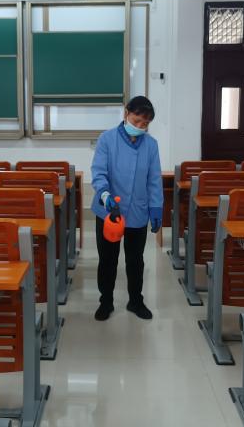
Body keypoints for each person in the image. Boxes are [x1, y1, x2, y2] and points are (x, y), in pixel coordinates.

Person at [90, 96, 163, 321]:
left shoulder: (151, 145)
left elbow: (154, 180)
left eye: (145, 124)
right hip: (109, 211)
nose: (140, 126)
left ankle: (135, 301)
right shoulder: (107, 139)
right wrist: (105, 195)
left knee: (135, 260)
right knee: (107, 259)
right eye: (137, 120)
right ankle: (106, 301)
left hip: (138, 211)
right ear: (126, 113)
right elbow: (99, 171)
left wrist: (156, 207)